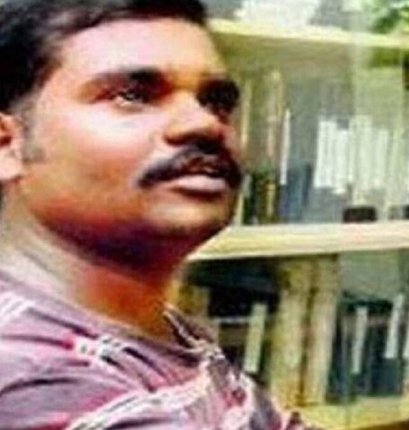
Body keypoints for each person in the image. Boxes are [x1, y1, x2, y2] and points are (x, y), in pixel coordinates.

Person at [0, 1, 316, 428]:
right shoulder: (33, 381)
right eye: (132, 96)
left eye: (216, 102)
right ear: (8, 145)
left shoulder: (157, 329)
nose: (204, 124)